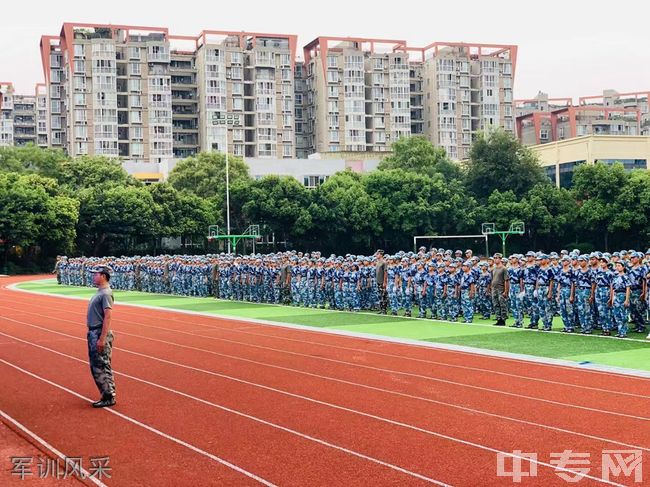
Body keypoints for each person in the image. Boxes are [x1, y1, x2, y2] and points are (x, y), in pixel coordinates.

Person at [86, 265, 116, 408]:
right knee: (96, 365)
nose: (93, 276)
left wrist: (102, 338)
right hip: (94, 332)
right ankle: (106, 394)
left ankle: (109, 396)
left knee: (102, 364)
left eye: (96, 274)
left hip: (99, 332)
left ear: (103, 276)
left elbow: (108, 316)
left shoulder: (105, 293)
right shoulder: (100, 292)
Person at [491, 253, 509, 326]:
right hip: (494, 289)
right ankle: (498, 318)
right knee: (495, 304)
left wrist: (506, 291)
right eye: (494, 258)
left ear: (500, 259)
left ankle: (503, 319)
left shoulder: (504, 268)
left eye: (497, 258)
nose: (495, 259)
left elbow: (506, 280)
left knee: (502, 304)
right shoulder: (494, 269)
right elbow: (492, 279)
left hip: (500, 289)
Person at [375, 250, 388, 315]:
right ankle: (381, 309)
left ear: (381, 255)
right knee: (380, 296)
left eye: (377, 254)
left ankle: (384, 310)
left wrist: (385, 282)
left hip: (382, 281)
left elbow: (385, 272)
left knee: (383, 296)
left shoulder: (384, 262)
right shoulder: (377, 262)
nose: (376, 255)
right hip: (378, 281)